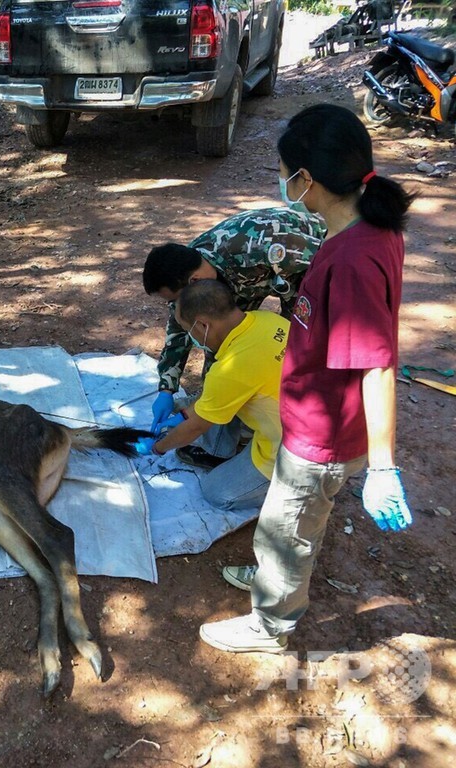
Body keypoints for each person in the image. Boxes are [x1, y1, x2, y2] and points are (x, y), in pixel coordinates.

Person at [199, 104, 414, 655]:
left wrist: (384, 466)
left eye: (284, 171)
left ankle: (270, 625)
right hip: (315, 420)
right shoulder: (366, 228)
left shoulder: (352, 258)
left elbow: (377, 363)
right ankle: (277, 579)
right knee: (290, 523)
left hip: (323, 436)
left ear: (307, 180)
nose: (282, 180)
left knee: (287, 525)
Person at [142, 207, 325, 466]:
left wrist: (294, 339)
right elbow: (181, 329)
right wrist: (167, 387)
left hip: (304, 262)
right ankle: (219, 444)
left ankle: (300, 432)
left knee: (295, 353)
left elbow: (315, 279)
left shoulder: (257, 249)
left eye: (173, 299)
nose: (174, 305)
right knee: (224, 362)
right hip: (261, 279)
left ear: (194, 283)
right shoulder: (187, 269)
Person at [133, 279, 288, 511]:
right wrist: (181, 415)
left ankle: (293, 489)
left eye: (189, 330)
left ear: (203, 326)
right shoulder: (268, 320)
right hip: (307, 414)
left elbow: (196, 426)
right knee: (214, 398)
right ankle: (221, 450)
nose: (192, 339)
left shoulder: (230, 370)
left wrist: (158, 447)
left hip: (297, 449)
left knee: (216, 492)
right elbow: (213, 401)